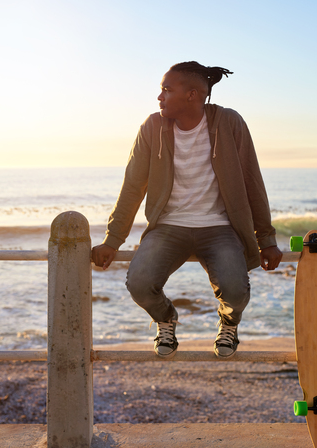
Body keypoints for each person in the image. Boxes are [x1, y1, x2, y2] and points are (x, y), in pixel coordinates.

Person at [92, 61, 283, 359]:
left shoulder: (229, 123)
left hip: (220, 228)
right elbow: (133, 186)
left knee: (236, 290)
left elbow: (251, 181)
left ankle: (228, 323)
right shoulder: (152, 127)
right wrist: (113, 239)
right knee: (139, 284)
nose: (160, 97)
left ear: (192, 95)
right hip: (168, 227)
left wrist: (266, 239)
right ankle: (166, 319)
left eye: (167, 90)